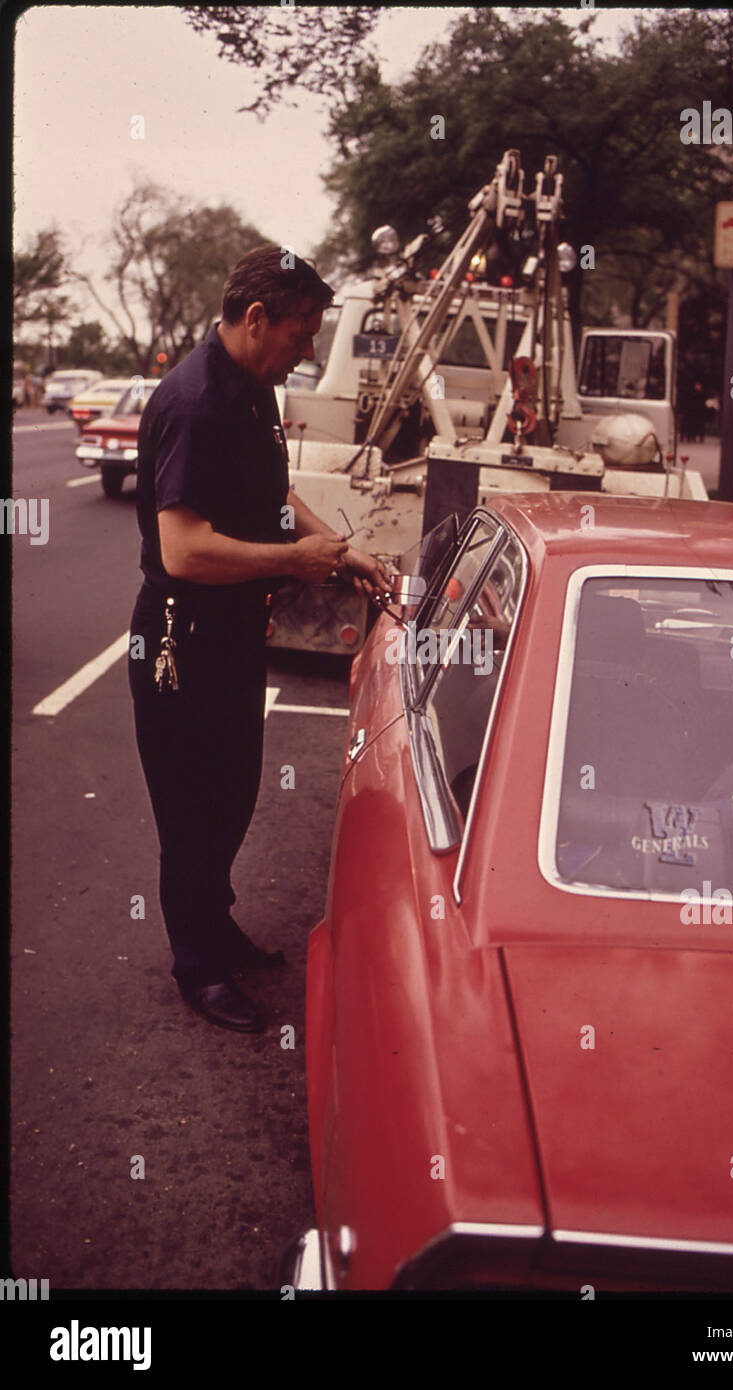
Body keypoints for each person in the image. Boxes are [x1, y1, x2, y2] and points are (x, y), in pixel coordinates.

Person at [128, 245, 390, 1033]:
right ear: (255, 319)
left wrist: (337, 551)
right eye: (302, 332)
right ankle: (196, 966)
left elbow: (276, 496)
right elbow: (183, 549)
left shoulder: (253, 391)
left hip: (236, 628)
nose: (307, 349)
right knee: (192, 810)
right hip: (183, 639)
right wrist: (293, 560)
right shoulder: (194, 402)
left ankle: (217, 925)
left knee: (234, 792)